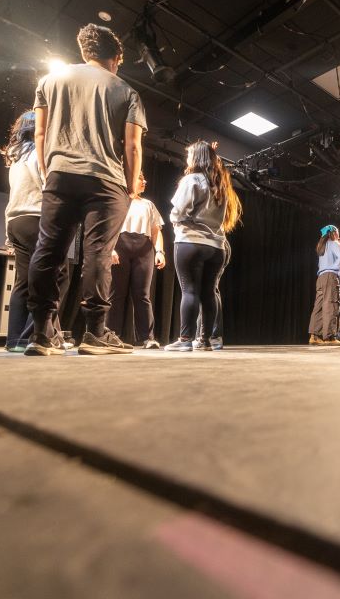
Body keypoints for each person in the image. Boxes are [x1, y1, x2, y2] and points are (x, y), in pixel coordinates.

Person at [25, 23, 146, 356]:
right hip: (105, 180)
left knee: (48, 250)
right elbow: (132, 145)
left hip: (60, 174)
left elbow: (40, 133)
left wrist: (48, 168)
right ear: (116, 57)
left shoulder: (50, 81)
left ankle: (41, 333)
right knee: (98, 254)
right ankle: (94, 333)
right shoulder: (126, 90)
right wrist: (132, 184)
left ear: (85, 52)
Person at [1, 111, 69, 352]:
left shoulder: (16, 157)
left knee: (23, 282)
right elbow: (47, 186)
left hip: (16, 221)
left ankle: (15, 340)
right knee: (57, 276)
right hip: (37, 218)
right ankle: (37, 335)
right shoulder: (40, 153)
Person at [165, 140, 242, 351]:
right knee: (208, 293)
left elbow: (178, 211)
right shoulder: (221, 185)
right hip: (216, 247)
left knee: (189, 291)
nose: (187, 158)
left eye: (189, 154)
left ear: (196, 157)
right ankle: (205, 341)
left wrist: (175, 220)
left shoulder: (192, 180)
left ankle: (185, 340)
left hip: (191, 242)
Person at [108, 172, 165, 349]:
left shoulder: (148, 204)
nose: (144, 181)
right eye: (140, 178)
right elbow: (108, 228)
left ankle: (147, 337)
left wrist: (160, 251)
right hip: (120, 246)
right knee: (116, 293)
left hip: (144, 249)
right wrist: (111, 249)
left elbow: (156, 231)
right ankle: (111, 335)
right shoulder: (118, 201)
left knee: (142, 295)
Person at [309, 225, 340, 346]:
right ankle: (329, 337)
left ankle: (314, 336)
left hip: (320, 278)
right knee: (331, 304)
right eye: (337, 233)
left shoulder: (322, 246)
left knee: (319, 307)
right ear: (334, 233)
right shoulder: (333, 243)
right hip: (330, 277)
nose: (338, 235)